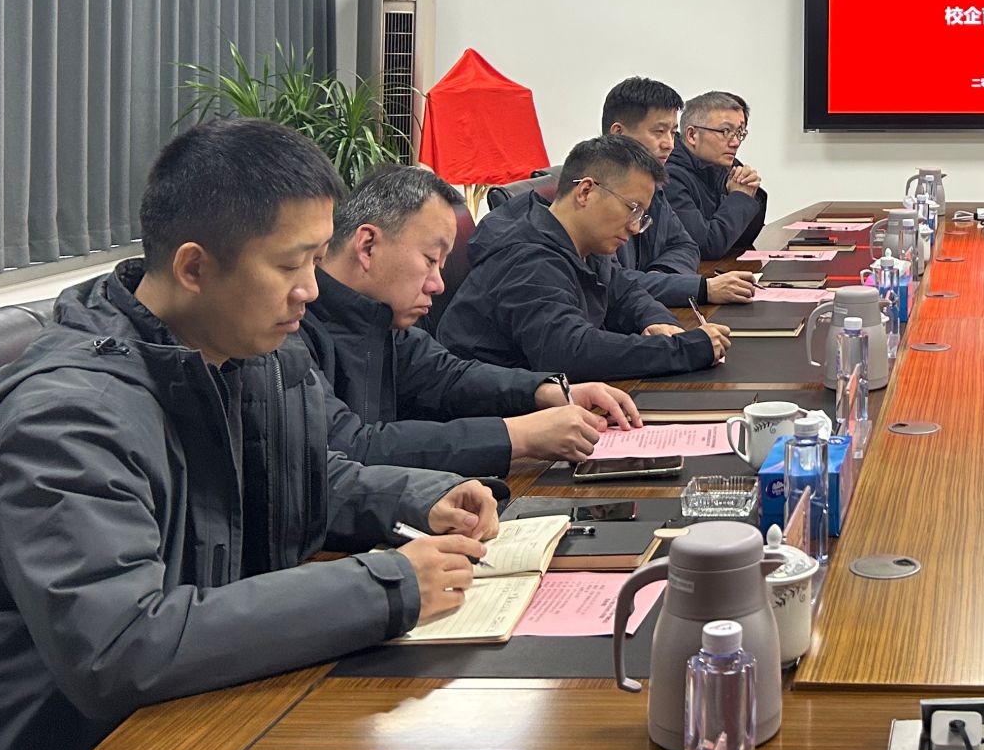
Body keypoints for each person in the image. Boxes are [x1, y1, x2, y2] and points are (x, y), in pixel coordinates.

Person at [0, 120, 496, 750]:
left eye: (316, 259)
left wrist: (421, 497)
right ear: (194, 267)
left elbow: (301, 478)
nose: (312, 290)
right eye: (290, 264)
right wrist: (387, 586)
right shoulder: (66, 419)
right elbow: (121, 647)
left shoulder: (243, 353)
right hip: (72, 738)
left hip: (199, 706)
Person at [304, 165, 645, 474]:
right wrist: (518, 436)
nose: (438, 285)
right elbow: (351, 447)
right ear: (367, 246)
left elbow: (447, 377)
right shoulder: (293, 330)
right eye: (430, 260)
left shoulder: (380, 318)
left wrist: (547, 391)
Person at [436, 133, 731, 378]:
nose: (635, 227)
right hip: (497, 411)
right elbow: (569, 352)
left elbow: (625, 292)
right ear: (586, 192)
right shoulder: (526, 258)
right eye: (633, 209)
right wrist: (682, 349)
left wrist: (657, 321)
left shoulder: (583, 240)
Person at [602, 76, 754, 306]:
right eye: (659, 131)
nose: (669, 144)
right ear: (618, 134)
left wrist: (663, 276)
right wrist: (699, 289)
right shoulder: (596, 193)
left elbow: (686, 245)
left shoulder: (653, 185)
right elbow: (612, 283)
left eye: (673, 133)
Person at [666, 89, 769, 259]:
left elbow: (741, 240)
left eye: (740, 133)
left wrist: (750, 192)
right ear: (692, 135)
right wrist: (740, 197)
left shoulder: (724, 167)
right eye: (725, 131)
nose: (736, 142)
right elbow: (705, 246)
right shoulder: (670, 176)